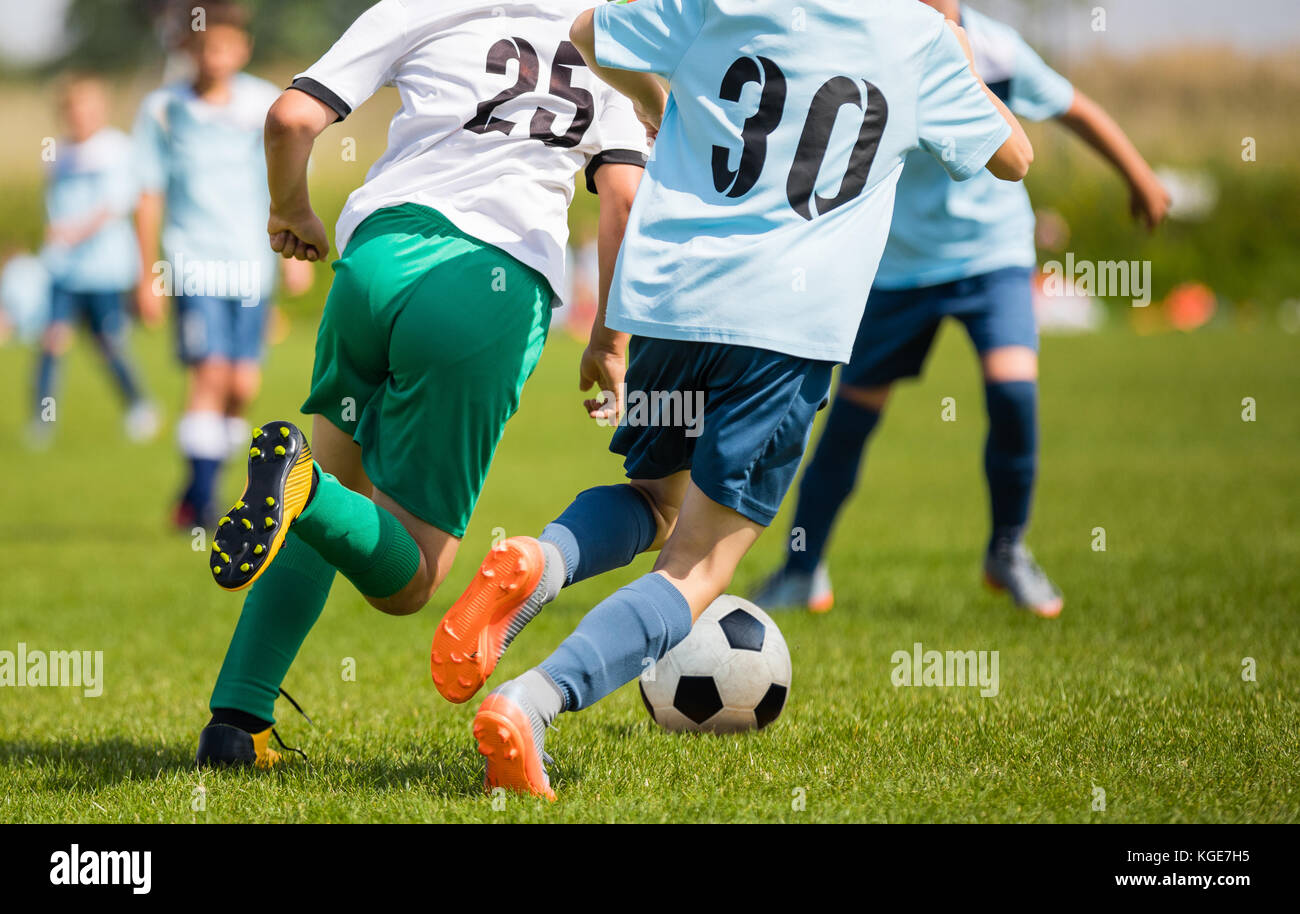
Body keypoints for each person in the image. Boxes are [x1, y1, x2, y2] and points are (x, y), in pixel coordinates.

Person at [428, 0, 1033, 799]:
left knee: (652, 500)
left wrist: (649, 100)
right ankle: (531, 702)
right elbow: (1014, 160)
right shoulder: (914, 35)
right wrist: (952, 48)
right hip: (786, 330)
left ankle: (542, 559)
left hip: (669, 306)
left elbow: (583, 31)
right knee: (700, 560)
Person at [194, 0, 651, 768]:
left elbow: (289, 117)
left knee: (326, 491)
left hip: (375, 261)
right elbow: (626, 202)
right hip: (487, 291)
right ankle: (299, 484)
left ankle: (237, 723)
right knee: (406, 582)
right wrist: (609, 340)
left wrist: (291, 209)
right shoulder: (612, 36)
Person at [755, 0, 1171, 618]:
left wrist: (1138, 175)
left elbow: (1071, 107)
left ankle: (1008, 550)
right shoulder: (870, 45)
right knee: (850, 422)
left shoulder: (998, 50)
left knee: (1012, 394)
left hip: (991, 255)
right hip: (899, 268)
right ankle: (801, 568)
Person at [133, 1, 312, 530]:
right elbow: (147, 194)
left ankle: (193, 493)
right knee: (210, 376)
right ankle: (206, 507)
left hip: (251, 267)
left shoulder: (264, 105)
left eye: (225, 46)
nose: (214, 56)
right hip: (195, 265)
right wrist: (147, 275)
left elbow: (282, 178)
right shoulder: (162, 109)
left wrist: (291, 250)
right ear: (188, 50)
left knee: (242, 386)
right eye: (204, 47)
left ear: (243, 49)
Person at [32, 75, 157, 448]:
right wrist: (56, 237)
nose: (79, 117)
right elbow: (53, 205)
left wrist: (74, 231)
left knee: (109, 344)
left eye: (87, 108)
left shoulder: (117, 149)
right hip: (64, 270)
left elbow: (116, 206)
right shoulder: (56, 154)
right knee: (52, 340)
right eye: (72, 110)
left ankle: (139, 406)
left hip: (105, 270)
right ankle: (42, 421)